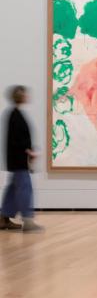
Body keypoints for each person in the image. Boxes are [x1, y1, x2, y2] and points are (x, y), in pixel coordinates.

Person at [1, 86, 43, 232]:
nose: (27, 96)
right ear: (20, 96)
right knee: (25, 189)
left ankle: (3, 219)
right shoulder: (14, 115)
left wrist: (28, 150)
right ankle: (28, 221)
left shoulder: (15, 113)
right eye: (25, 94)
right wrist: (28, 151)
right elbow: (15, 140)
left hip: (17, 160)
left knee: (13, 189)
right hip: (19, 160)